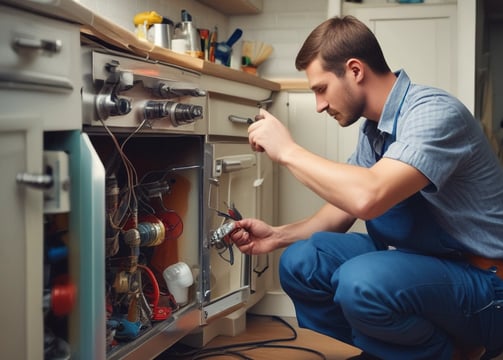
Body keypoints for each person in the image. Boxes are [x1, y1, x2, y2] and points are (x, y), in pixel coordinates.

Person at [229, 15, 503, 360]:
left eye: (321, 88)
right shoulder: (373, 131)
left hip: (486, 286)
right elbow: (342, 209)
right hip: (422, 267)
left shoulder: (434, 113)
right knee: (302, 261)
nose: (319, 105)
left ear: (355, 70)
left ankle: (448, 352)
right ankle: (378, 352)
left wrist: (287, 151)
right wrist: (278, 236)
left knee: (361, 280)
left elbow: (367, 197)